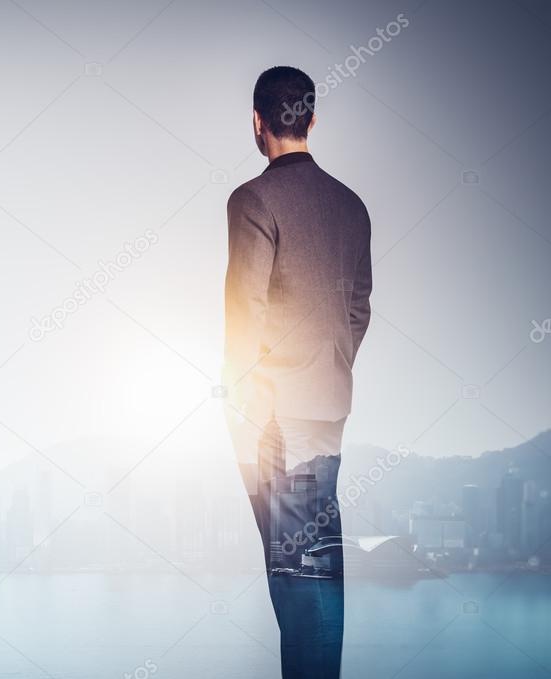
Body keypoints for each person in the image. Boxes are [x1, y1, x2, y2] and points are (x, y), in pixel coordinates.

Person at [223, 65, 372, 679]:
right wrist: (327, 366)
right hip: (329, 409)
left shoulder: (252, 199)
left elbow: (243, 318)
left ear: (258, 125)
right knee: (318, 567)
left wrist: (243, 414)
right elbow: (358, 309)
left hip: (275, 422)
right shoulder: (351, 204)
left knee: (295, 579)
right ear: (312, 119)